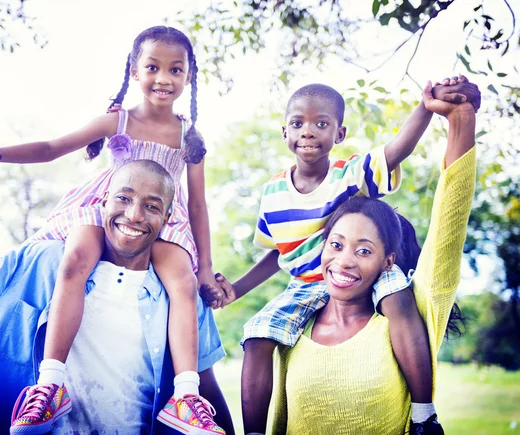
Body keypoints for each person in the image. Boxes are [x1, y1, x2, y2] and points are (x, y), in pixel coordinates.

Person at [0, 25, 225, 434]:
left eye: (176, 70)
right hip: (107, 205)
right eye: (152, 67)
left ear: (189, 77)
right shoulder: (118, 120)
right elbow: (51, 148)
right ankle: (51, 382)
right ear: (134, 70)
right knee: (74, 260)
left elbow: (197, 204)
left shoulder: (190, 137)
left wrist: (204, 269)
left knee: (180, 283)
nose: (163, 78)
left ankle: (185, 395)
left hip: (161, 216)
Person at [203, 76, 480, 434]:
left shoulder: (348, 175)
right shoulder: (272, 191)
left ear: (339, 133)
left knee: (398, 299)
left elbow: (396, 150)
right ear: (284, 132)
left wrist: (424, 108)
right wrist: (236, 290)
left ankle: (424, 412)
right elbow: (278, 251)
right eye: (297, 123)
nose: (308, 131)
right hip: (304, 285)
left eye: (321, 124)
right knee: (255, 335)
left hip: (367, 274)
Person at [0, 153, 234, 435]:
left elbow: (206, 386)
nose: (135, 215)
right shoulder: (40, 264)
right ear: (103, 203)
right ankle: (48, 391)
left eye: (152, 207)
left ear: (167, 219)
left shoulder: (181, 291)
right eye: (123, 199)